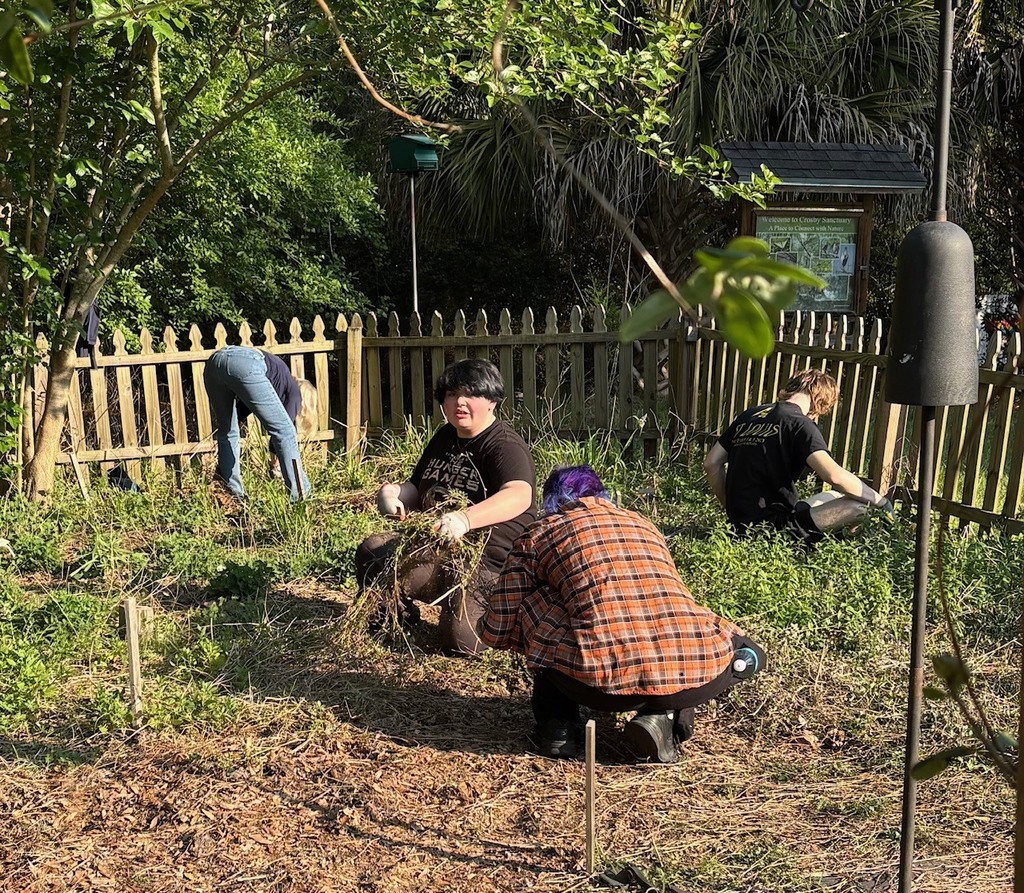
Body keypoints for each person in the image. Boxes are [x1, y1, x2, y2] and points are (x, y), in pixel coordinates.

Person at [481, 465, 765, 763]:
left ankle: (557, 726)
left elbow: (500, 620)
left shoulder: (541, 532)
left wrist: (516, 639)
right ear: (601, 494)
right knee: (712, 636)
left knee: (540, 600)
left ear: (552, 502)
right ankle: (663, 717)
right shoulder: (643, 523)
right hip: (693, 676)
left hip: (596, 687)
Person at [356, 358, 535, 655]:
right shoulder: (445, 436)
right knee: (374, 550)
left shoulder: (504, 444)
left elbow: (518, 494)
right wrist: (393, 493)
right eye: (451, 395)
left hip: (486, 562)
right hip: (437, 547)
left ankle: (506, 612)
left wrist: (465, 519)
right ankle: (392, 616)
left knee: (463, 643)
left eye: (471, 394)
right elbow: (418, 485)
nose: (459, 403)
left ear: (492, 401)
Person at [703, 369, 893, 545]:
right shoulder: (800, 424)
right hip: (775, 528)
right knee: (860, 508)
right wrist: (882, 502)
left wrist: (735, 511)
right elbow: (834, 476)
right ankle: (828, 547)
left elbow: (711, 463)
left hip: (740, 524)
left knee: (832, 496)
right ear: (819, 402)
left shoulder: (750, 415)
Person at [204, 345, 318, 502]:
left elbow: (239, 414)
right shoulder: (294, 390)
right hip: (247, 362)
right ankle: (300, 496)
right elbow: (283, 430)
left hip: (214, 362)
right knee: (285, 430)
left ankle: (232, 495)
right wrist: (275, 465)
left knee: (228, 430)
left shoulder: (274, 379)